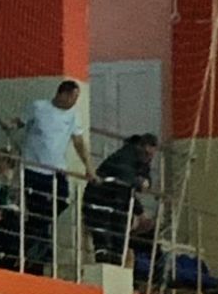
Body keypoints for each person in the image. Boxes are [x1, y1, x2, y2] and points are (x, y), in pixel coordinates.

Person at [10, 79, 93, 268]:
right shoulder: (39, 107)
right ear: (62, 94)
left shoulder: (73, 115)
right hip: (33, 168)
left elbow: (79, 142)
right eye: (73, 97)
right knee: (36, 209)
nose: (74, 101)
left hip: (57, 170)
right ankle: (35, 251)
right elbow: (21, 121)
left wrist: (88, 167)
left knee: (62, 200)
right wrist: (13, 124)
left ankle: (34, 241)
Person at [82, 134, 158, 264]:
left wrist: (144, 182)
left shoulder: (139, 159)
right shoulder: (125, 157)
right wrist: (140, 211)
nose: (149, 157)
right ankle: (109, 260)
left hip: (114, 202)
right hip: (101, 200)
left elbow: (134, 182)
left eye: (151, 155)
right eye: (147, 153)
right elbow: (126, 182)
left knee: (117, 235)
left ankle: (114, 260)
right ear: (141, 147)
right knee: (107, 236)